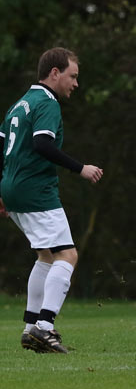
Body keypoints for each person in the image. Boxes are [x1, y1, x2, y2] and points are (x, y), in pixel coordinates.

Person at [0, 47, 104, 354]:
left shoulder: (20, 104)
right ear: (55, 73)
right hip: (35, 190)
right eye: (73, 76)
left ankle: (30, 327)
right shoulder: (47, 102)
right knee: (67, 255)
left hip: (13, 188)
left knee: (46, 255)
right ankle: (44, 327)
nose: (75, 83)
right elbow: (42, 144)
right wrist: (80, 168)